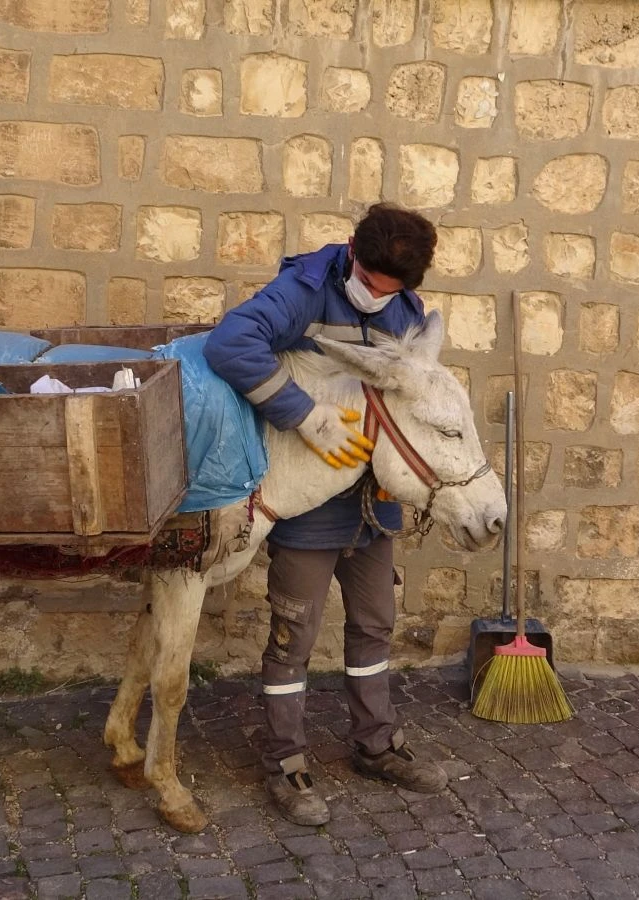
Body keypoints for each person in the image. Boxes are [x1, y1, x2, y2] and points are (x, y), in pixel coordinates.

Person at [203, 203, 447, 826]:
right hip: (308, 504)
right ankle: (285, 761)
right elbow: (230, 343)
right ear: (350, 250)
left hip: (373, 505)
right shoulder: (303, 291)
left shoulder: (406, 312)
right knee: (295, 636)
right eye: (368, 283)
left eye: (389, 291)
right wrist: (302, 415)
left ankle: (376, 745)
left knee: (373, 625)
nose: (375, 299)